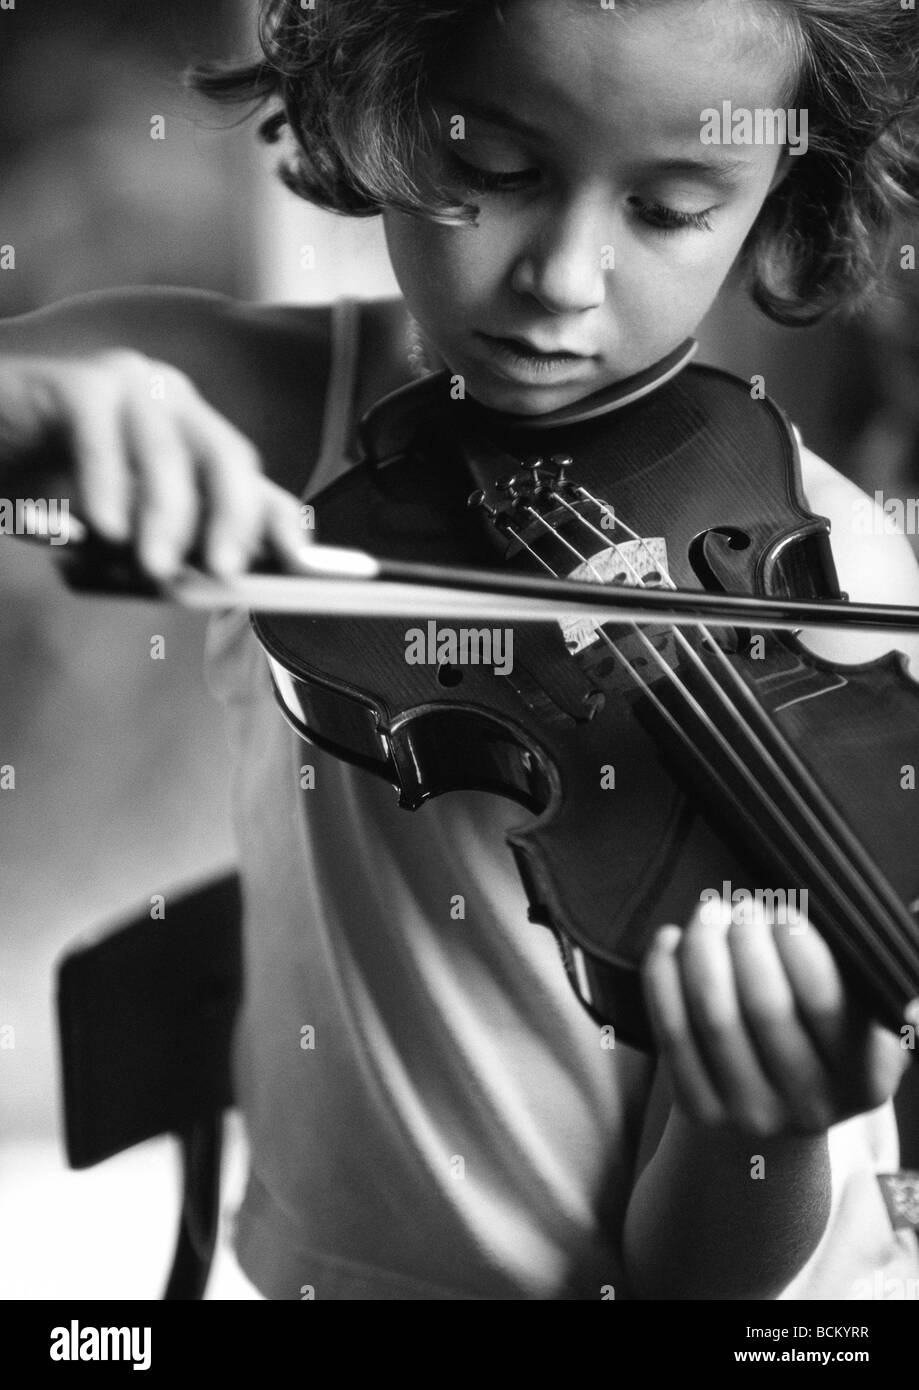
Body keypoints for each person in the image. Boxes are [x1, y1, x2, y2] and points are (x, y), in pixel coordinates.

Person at [3, 0, 919, 1300]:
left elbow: (698, 1282)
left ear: (787, 184)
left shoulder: (838, 586)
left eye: (667, 209)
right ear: (380, 98)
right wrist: (42, 400)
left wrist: (756, 1125)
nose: (560, 276)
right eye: (491, 171)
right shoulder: (292, 410)